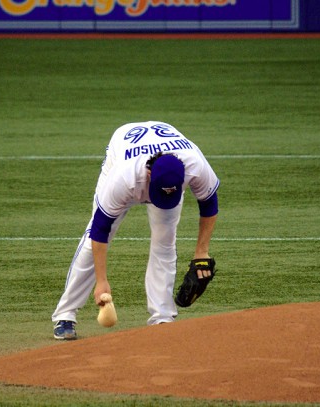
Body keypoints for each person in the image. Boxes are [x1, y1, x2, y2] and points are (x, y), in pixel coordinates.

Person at [51, 121, 220, 340]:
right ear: (149, 175)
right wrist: (101, 281)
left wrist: (201, 251)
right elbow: (101, 231)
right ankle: (66, 314)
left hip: (162, 152)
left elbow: (209, 205)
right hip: (123, 146)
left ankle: (162, 318)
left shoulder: (195, 166)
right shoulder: (123, 179)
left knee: (165, 242)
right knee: (90, 241)